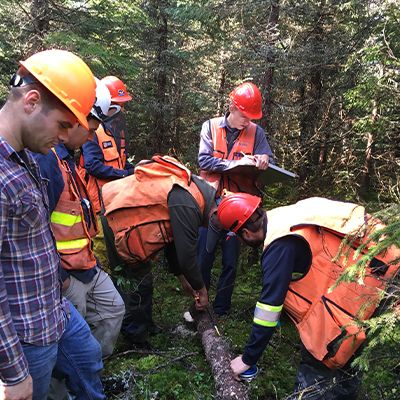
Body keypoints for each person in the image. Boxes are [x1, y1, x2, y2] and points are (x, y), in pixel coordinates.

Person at [216, 194, 399, 398]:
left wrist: (248, 359)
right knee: (347, 374)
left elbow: (269, 307)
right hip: (375, 280)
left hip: (366, 293)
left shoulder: (278, 245)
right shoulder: (288, 217)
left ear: (246, 233)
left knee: (316, 366)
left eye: (239, 237)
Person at [0, 49, 105, 399]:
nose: (65, 137)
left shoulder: (28, 156)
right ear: (31, 101)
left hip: (54, 309)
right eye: (63, 124)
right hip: (25, 335)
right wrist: (14, 373)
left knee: (88, 358)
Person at [35, 78, 125, 360]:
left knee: (113, 310)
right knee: (68, 343)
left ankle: (91, 373)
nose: (90, 138)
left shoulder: (67, 160)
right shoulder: (48, 161)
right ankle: (71, 386)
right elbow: (37, 229)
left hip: (87, 265)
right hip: (65, 274)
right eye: (89, 131)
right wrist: (60, 278)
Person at [101, 155, 217, 345]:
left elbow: (173, 241)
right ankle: (134, 336)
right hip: (119, 218)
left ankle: (145, 324)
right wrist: (200, 288)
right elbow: (186, 254)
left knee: (144, 278)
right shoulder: (188, 202)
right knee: (134, 279)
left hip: (130, 217)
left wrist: (181, 276)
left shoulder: (193, 193)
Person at [197, 81, 274, 316]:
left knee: (230, 260)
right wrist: (235, 163)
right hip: (210, 202)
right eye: (244, 114)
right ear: (232, 106)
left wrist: (263, 160)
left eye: (251, 116)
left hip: (240, 208)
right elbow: (204, 161)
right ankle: (200, 303)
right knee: (204, 256)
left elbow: (268, 160)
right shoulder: (210, 127)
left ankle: (221, 309)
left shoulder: (256, 133)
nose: (247, 120)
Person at [80, 75, 134, 215]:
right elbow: (92, 165)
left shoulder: (119, 131)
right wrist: (123, 174)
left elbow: (121, 160)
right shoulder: (93, 131)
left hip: (118, 199)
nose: (121, 111)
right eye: (118, 105)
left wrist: (134, 170)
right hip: (99, 203)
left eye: (123, 106)